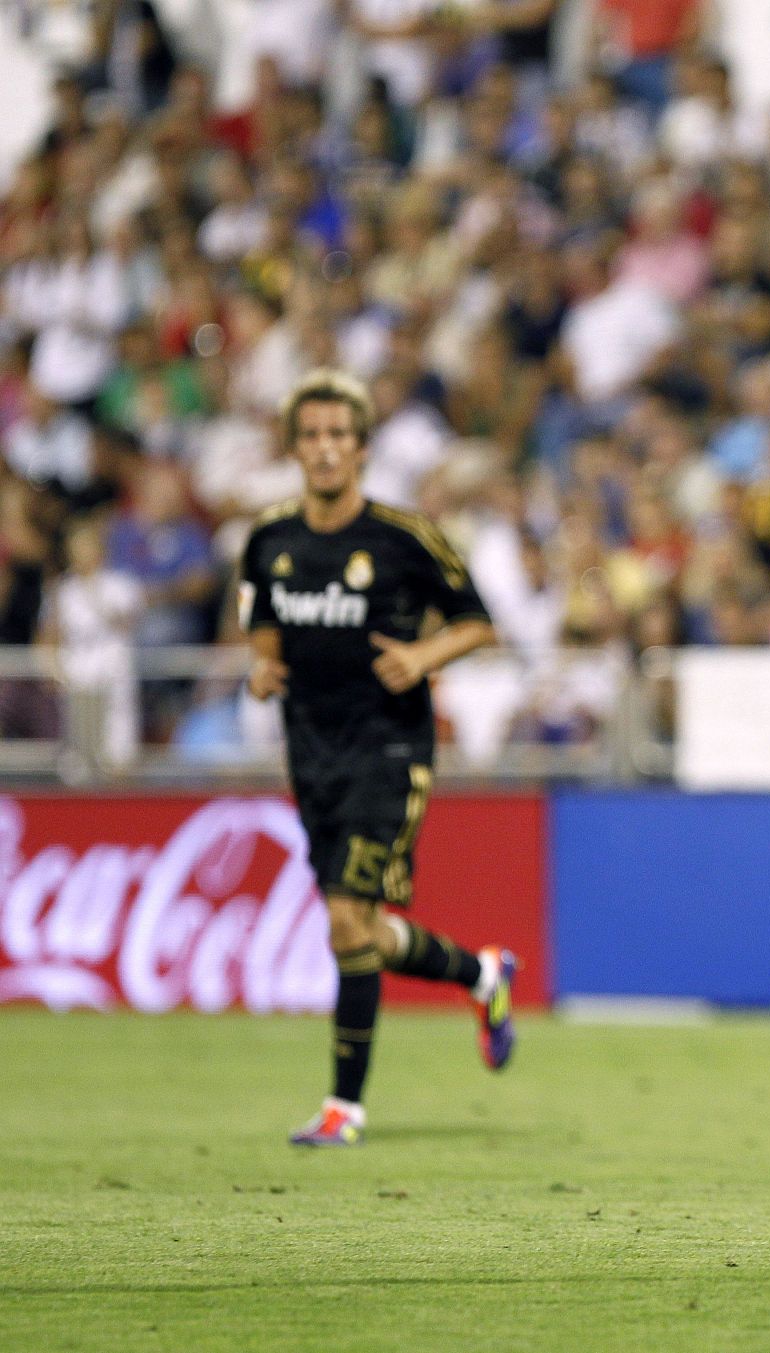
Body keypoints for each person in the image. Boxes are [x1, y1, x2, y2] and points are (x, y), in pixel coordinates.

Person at [238, 369, 516, 1148]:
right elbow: (261, 633)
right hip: (311, 749)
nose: (325, 450)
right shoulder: (268, 541)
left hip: (390, 745)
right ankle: (484, 973)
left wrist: (425, 654)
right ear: (294, 449)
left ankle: (344, 1108)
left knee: (344, 919)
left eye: (339, 436)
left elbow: (479, 623)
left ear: (360, 449)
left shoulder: (403, 538)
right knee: (362, 927)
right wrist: (262, 670)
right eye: (312, 436)